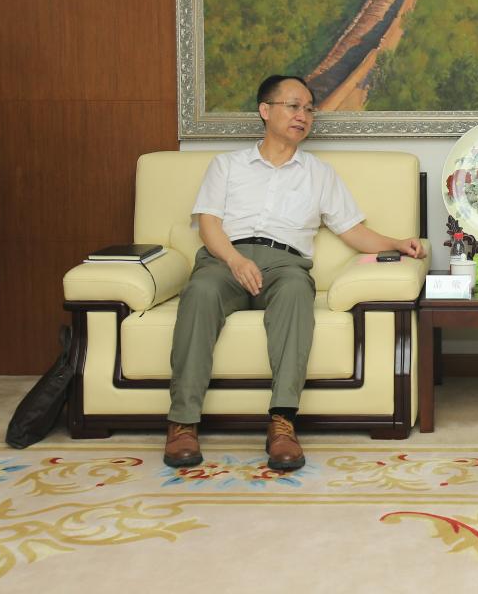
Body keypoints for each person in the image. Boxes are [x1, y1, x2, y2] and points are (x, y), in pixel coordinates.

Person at [163, 74, 426, 471]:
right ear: (265, 111)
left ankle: (282, 423)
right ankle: (183, 422)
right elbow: (209, 225)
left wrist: (397, 243)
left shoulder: (319, 173)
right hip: (225, 259)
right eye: (293, 106)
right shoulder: (227, 165)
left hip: (285, 264)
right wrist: (236, 261)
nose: (303, 115)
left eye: (308, 109)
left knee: (295, 292)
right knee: (199, 292)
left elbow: (352, 230)